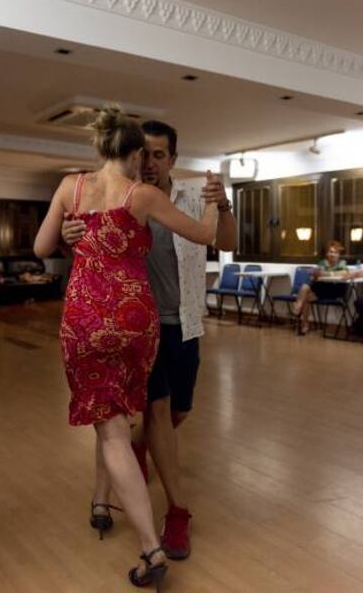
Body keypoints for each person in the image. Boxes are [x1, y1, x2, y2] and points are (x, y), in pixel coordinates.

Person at [34, 106, 220, 590]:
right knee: (120, 420)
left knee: (111, 425)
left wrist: (71, 237)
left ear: (98, 147)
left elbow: (41, 248)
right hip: (138, 322)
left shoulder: (70, 188)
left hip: (87, 319)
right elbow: (205, 234)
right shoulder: (142, 196)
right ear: (137, 152)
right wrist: (215, 203)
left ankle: (149, 546)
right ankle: (102, 498)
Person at [293, 240, 348, 335]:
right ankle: (304, 323)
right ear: (327, 253)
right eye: (331, 251)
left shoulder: (342, 263)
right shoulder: (322, 263)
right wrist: (328, 274)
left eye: (335, 252)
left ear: (339, 255)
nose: (333, 254)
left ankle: (298, 307)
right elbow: (318, 273)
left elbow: (344, 273)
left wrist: (327, 273)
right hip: (321, 289)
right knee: (306, 290)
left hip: (334, 291)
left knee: (305, 292)